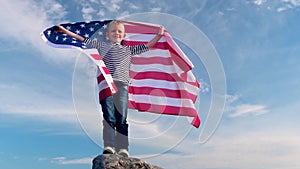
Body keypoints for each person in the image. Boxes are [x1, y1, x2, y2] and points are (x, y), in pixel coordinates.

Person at [56, 20, 164, 157]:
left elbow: (147, 46)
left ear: (124, 35)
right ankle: (109, 146)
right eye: (113, 31)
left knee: (122, 118)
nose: (116, 33)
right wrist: (66, 32)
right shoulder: (102, 46)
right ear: (107, 34)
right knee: (109, 117)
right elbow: (83, 39)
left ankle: (123, 148)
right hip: (107, 85)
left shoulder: (128, 50)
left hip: (122, 87)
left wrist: (159, 36)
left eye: (119, 31)